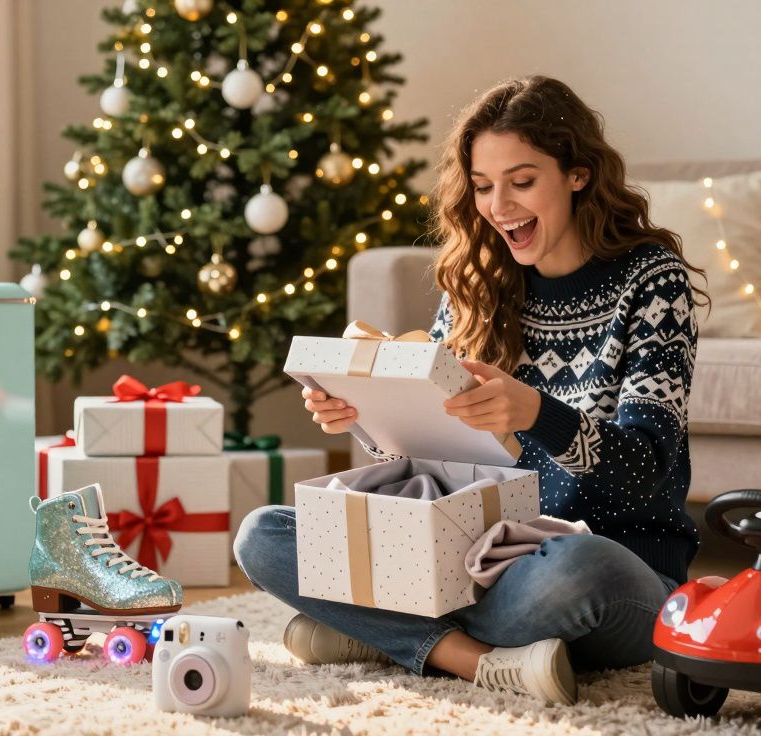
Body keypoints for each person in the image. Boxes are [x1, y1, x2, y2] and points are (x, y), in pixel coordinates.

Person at [233, 75, 708, 706]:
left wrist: (536, 413)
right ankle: (473, 658)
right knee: (264, 535)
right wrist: (365, 415)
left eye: (522, 180)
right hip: (472, 560)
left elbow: (646, 472)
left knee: (576, 568)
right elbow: (430, 463)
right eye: (483, 187)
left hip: (612, 564)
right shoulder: (478, 281)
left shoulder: (651, 281)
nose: (499, 206)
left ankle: (383, 634)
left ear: (579, 174)